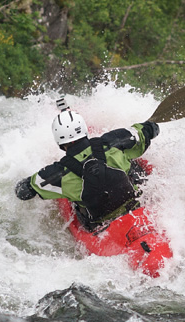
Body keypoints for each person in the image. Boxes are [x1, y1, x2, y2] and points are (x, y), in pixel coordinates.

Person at [14, 98, 159, 231]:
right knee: (131, 162)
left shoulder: (57, 173)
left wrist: (27, 182)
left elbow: (23, 192)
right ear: (83, 129)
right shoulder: (113, 141)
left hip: (103, 227)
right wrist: (150, 126)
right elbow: (150, 130)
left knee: (71, 197)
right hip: (136, 209)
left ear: (58, 141)